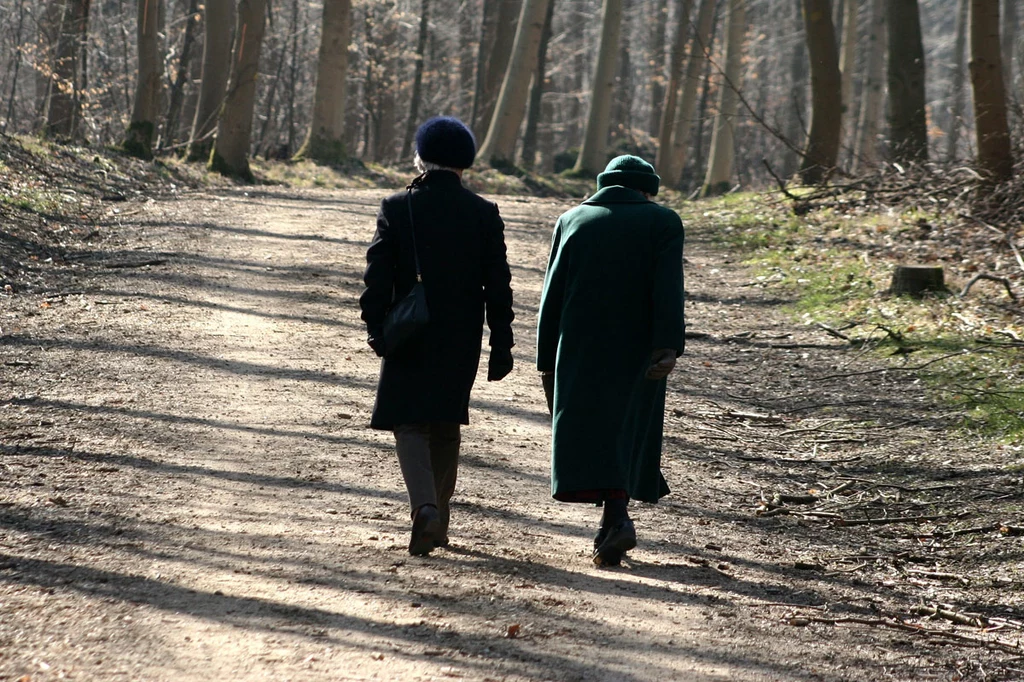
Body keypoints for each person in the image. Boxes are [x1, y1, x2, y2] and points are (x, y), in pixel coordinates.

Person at [359, 116, 515, 556]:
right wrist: (501, 343)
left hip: (410, 329)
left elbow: (377, 276)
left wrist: (375, 327)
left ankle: (424, 508)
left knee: (410, 423)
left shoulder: (397, 206)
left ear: (420, 157)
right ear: (465, 164)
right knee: (446, 426)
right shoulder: (484, 213)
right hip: (461, 335)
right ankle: (439, 523)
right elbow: (498, 284)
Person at [537, 155, 685, 567]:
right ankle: (616, 520)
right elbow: (669, 288)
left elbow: (553, 293)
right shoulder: (663, 222)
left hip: (579, 344)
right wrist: (669, 345)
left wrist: (545, 356)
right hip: (639, 346)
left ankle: (614, 521)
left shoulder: (571, 220)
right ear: (645, 190)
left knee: (591, 429)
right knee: (627, 430)